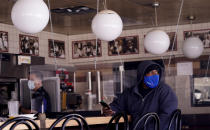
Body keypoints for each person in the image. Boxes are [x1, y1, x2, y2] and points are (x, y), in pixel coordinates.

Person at [103, 60, 178, 130]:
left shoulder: (165, 90)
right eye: (151, 72)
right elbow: (117, 106)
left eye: (157, 72)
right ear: (142, 75)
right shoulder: (130, 93)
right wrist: (109, 110)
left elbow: (167, 116)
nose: (155, 75)